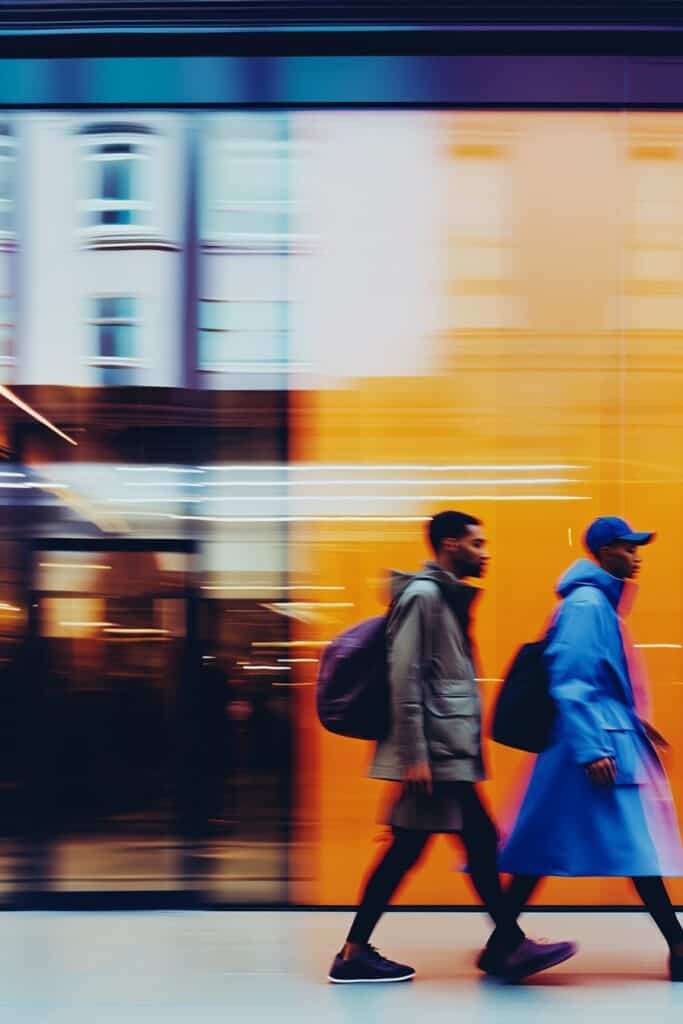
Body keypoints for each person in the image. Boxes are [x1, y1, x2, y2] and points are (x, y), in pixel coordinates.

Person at [328, 510, 575, 984]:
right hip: (435, 757)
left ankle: (502, 943)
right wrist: (414, 754)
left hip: (444, 753)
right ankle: (503, 944)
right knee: (451, 846)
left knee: (436, 847)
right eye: (476, 543)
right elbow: (407, 677)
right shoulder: (424, 597)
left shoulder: (443, 599)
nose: (485, 552)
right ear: (448, 544)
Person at [492, 516, 683, 982]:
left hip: (589, 741)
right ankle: (678, 946)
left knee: (544, 845)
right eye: (627, 547)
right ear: (603, 551)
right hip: (593, 747)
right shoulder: (587, 603)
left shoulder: (594, 603)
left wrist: (637, 726)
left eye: (637, 548)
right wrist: (593, 747)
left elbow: (592, 680)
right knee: (633, 846)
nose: (636, 556)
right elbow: (572, 678)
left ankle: (500, 944)